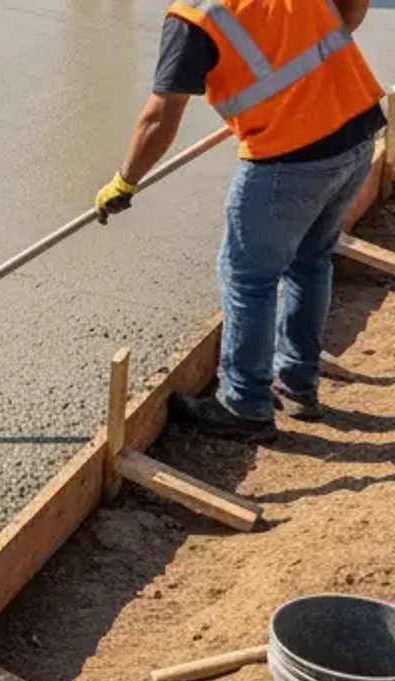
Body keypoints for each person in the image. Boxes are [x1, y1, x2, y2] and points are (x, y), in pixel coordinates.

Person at [95, 0, 381, 440]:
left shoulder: (194, 15)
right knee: (311, 262)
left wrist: (124, 181)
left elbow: (160, 115)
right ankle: (298, 384)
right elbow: (352, 10)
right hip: (356, 133)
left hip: (290, 157)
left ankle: (245, 404)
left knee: (248, 278)